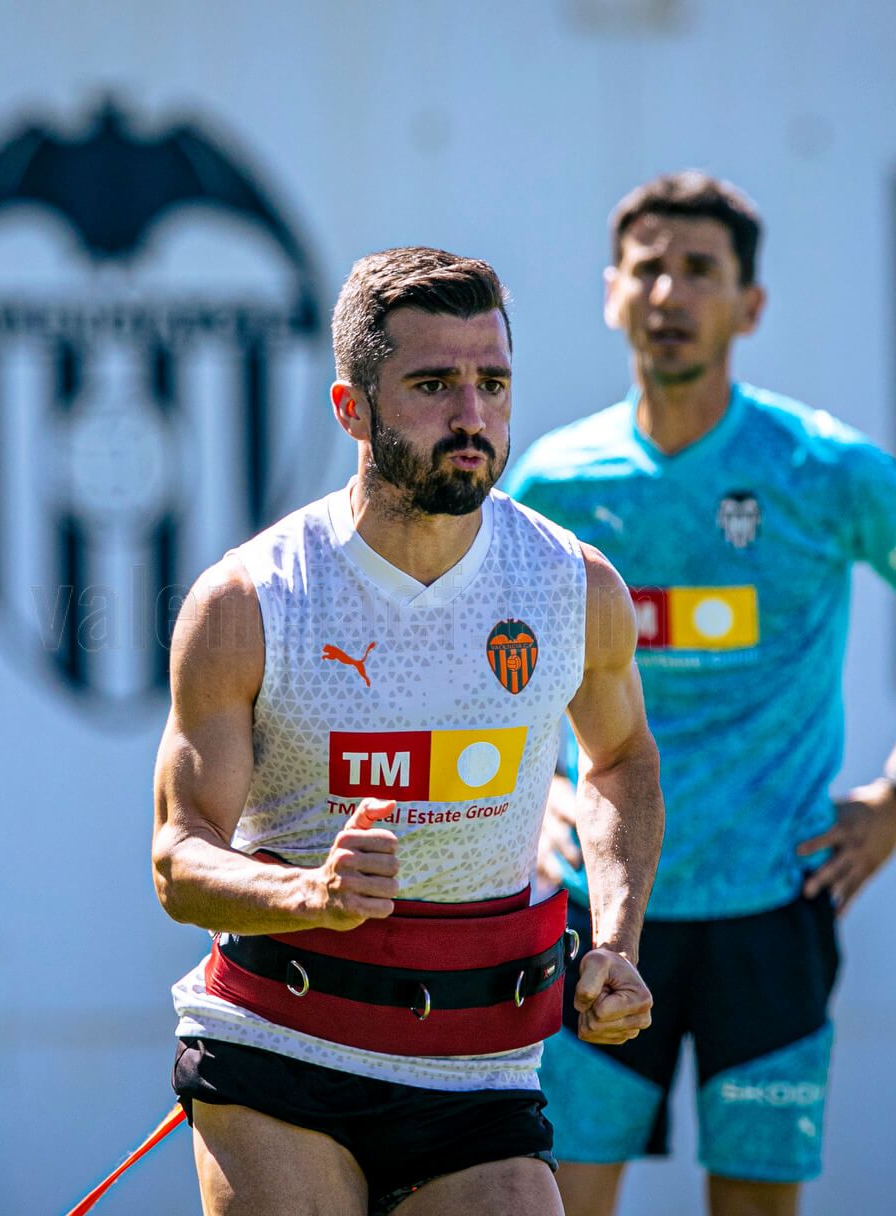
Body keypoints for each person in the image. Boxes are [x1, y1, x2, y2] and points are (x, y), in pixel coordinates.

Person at [503, 173, 896, 1216]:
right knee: (553, 1202)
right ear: (610, 294)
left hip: (769, 908)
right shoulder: (552, 481)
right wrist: (532, 794)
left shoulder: (820, 467)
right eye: (648, 269)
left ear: (750, 304)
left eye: (700, 271)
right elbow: (489, 659)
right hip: (598, 914)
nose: (669, 293)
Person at [152, 246, 669, 1216]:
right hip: (279, 1045)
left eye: (491, 383)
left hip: (479, 1066)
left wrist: (615, 939)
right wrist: (308, 889)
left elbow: (619, 761)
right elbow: (177, 860)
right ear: (350, 408)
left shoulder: (572, 586)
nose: (470, 415)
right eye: (433, 384)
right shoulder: (247, 600)